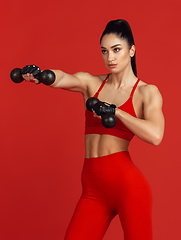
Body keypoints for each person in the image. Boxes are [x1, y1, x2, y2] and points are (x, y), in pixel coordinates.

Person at [21, 19, 164, 240]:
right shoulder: (92, 83)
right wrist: (41, 75)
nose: (110, 58)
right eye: (104, 51)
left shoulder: (146, 92)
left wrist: (116, 112)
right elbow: (64, 78)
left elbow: (155, 135)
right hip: (92, 189)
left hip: (128, 186)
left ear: (132, 50)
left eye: (117, 50)